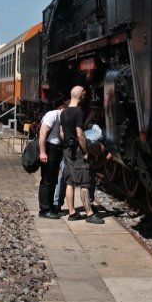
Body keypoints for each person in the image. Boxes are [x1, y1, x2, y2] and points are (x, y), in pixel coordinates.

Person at [60, 85, 104, 224]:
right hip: (77, 150)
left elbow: (61, 133)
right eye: (84, 95)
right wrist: (86, 152)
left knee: (69, 182)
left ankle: (72, 212)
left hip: (67, 150)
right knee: (84, 182)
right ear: (80, 96)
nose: (85, 97)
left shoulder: (63, 112)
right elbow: (80, 134)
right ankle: (89, 213)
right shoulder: (78, 112)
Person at [36, 97, 66, 219]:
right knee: (47, 179)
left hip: (56, 149)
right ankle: (44, 209)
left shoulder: (62, 117)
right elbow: (43, 133)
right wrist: (43, 152)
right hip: (49, 148)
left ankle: (50, 206)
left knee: (53, 180)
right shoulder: (52, 115)